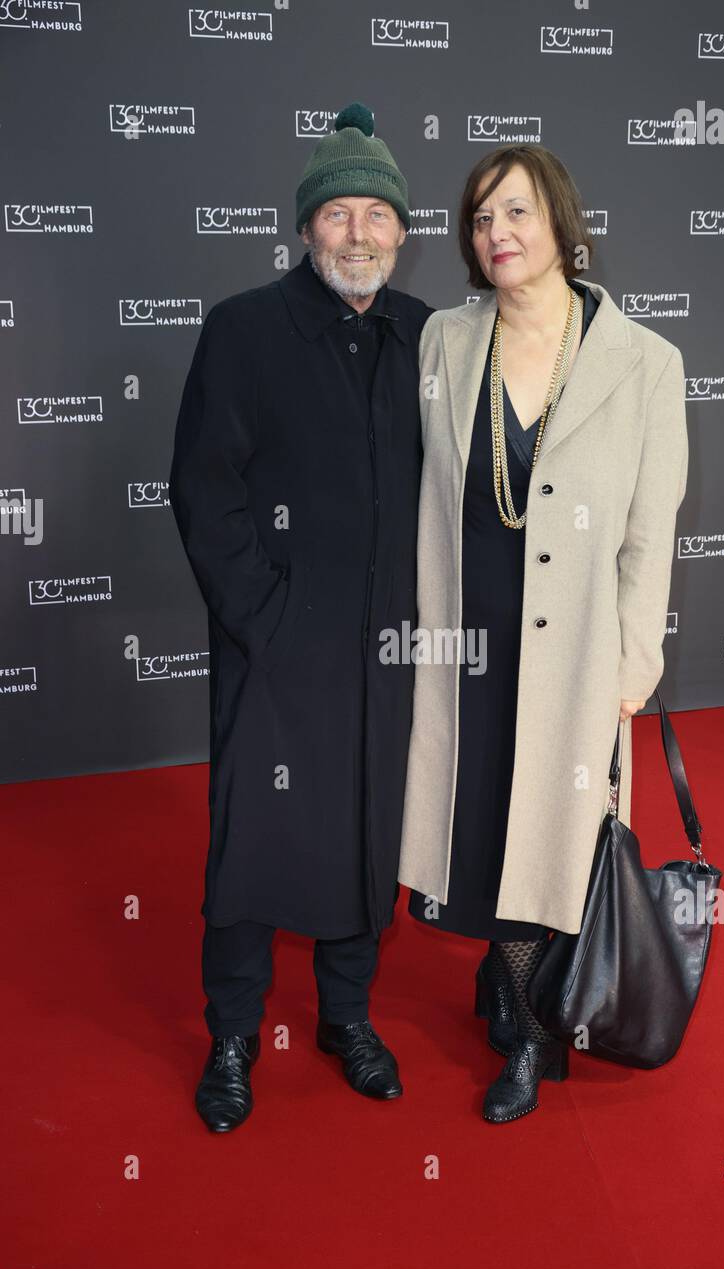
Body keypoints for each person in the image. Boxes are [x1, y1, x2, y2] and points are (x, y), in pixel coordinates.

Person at [398, 144, 689, 1123]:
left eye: (515, 213)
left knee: (550, 834)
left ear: (562, 224)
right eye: (480, 220)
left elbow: (650, 533)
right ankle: (499, 975)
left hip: (571, 650)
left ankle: (529, 1035)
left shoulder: (643, 362)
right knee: (481, 816)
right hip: (464, 634)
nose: (497, 235)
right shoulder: (442, 339)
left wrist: (633, 660)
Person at [169, 103, 433, 1133]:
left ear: (400, 233)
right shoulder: (244, 328)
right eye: (338, 216)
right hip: (272, 648)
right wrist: (263, 620)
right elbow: (204, 487)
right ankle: (232, 1032)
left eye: (377, 215)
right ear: (305, 228)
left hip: (387, 648)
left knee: (368, 833)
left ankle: (344, 1019)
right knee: (251, 842)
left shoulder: (427, 335)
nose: (359, 234)